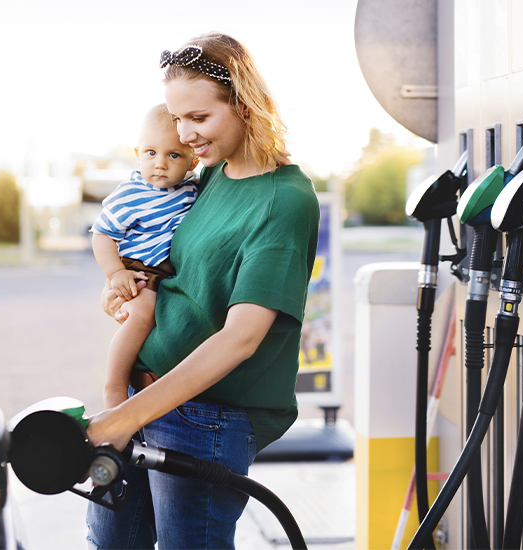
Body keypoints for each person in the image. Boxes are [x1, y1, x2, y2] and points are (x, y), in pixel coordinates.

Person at [85, 33, 320, 549]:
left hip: (205, 418)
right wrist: (125, 281)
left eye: (198, 118)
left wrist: (126, 416)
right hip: (143, 396)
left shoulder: (284, 201)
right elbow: (178, 264)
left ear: (244, 104)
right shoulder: (210, 173)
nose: (183, 134)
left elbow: (241, 337)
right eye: (176, 118)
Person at [90, 103, 199, 409]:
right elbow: (102, 234)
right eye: (151, 153)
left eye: (173, 155)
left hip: (164, 272)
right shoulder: (131, 194)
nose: (160, 164)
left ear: (192, 162)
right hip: (138, 270)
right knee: (142, 313)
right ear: (138, 153)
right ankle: (114, 386)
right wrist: (115, 274)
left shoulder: (192, 189)